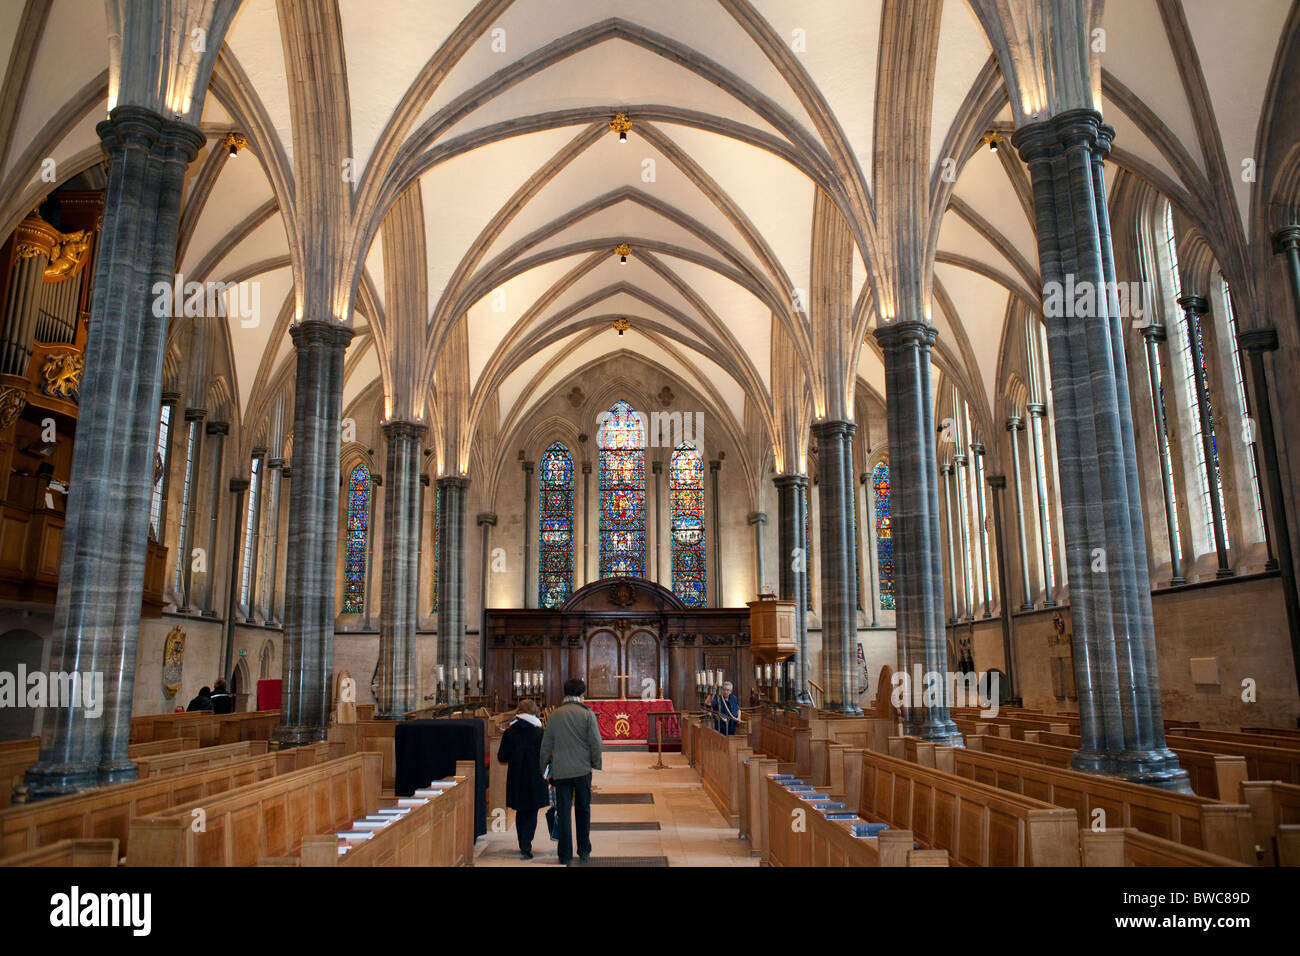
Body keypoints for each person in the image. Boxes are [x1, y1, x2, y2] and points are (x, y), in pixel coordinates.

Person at [537, 677, 603, 865]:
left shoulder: (555, 715)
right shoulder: (587, 714)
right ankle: (583, 850)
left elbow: (545, 746)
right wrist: (594, 763)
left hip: (561, 771)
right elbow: (596, 743)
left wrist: (545, 769)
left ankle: (564, 854)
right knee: (583, 810)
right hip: (582, 770)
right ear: (582, 694)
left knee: (563, 811)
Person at [496, 699, 549, 859]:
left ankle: (523, 843)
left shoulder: (509, 733)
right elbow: (546, 756)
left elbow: (502, 757)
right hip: (534, 776)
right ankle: (527, 842)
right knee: (532, 810)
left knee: (520, 810)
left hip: (517, 777)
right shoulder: (540, 733)